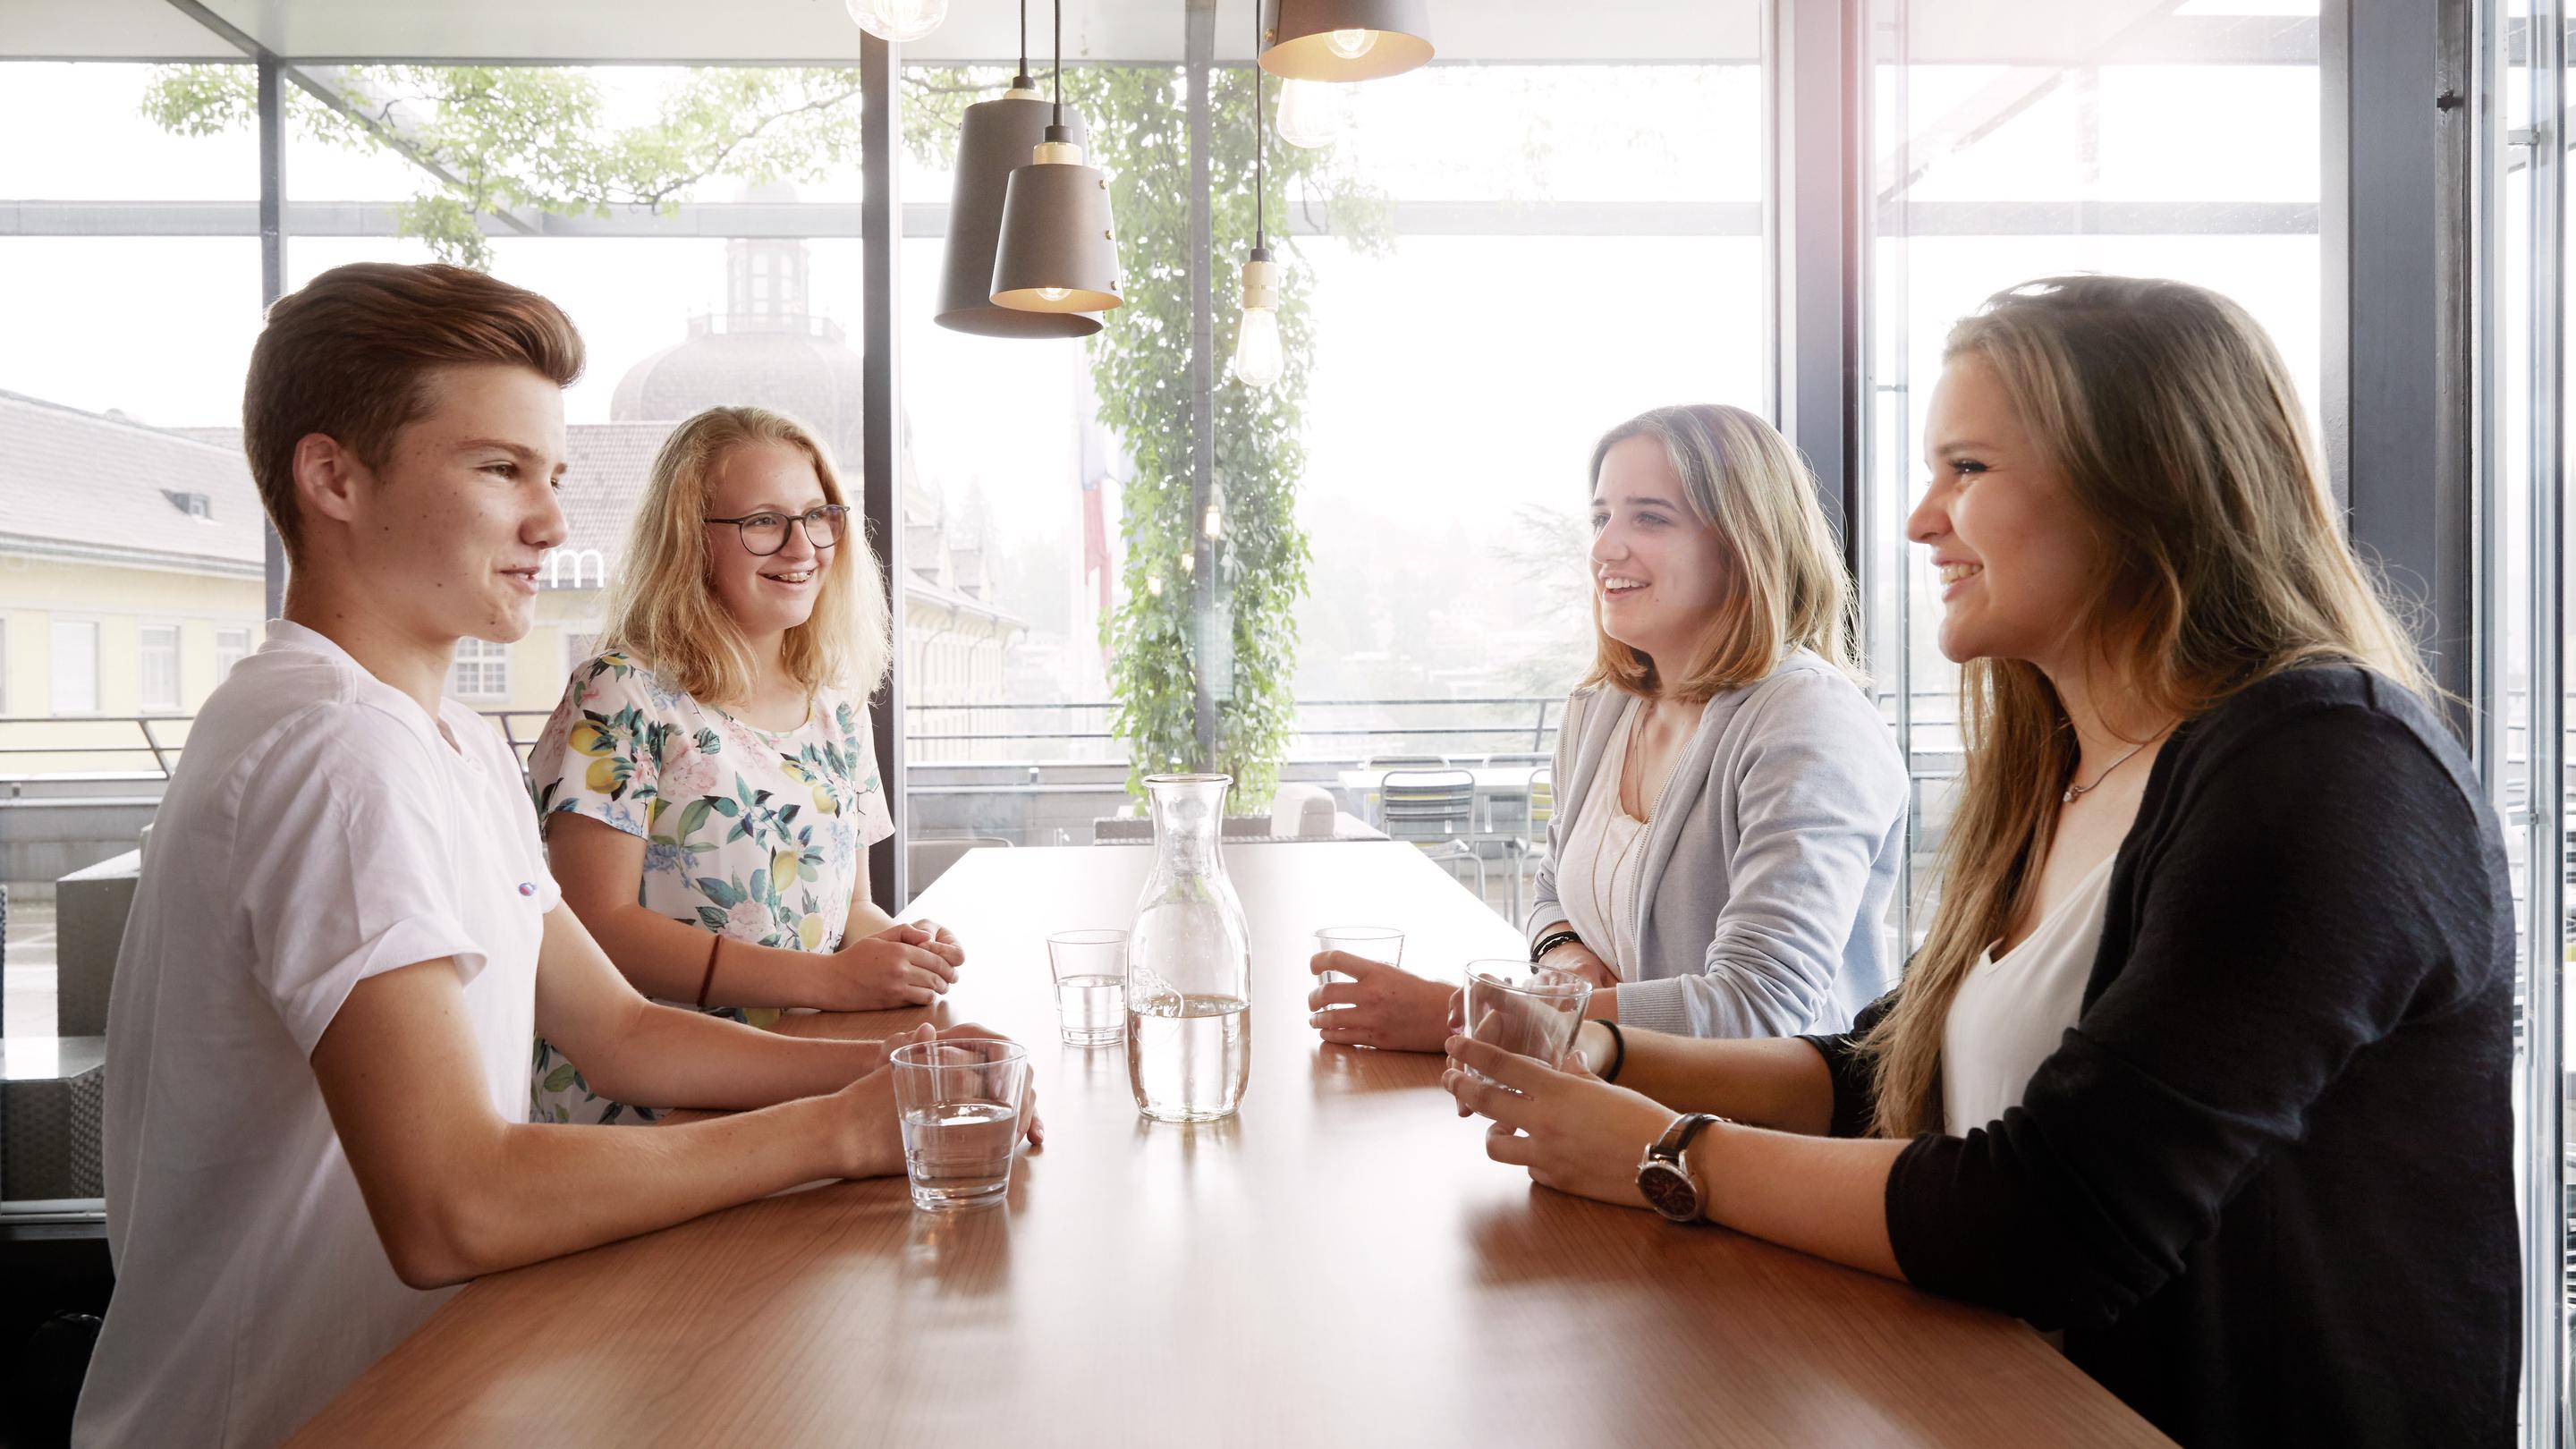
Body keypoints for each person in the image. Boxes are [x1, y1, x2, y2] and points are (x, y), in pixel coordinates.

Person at [1441, 276, 2515, 1446]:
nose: (1917, 523)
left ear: (2144, 486)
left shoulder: (2328, 768)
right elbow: (1887, 1071)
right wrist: (1600, 1046)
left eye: (1967, 469)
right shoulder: (2062, 769)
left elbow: (2058, 1214)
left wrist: (1663, 1151)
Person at [72, 263, 1030, 1449]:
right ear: (333, 477)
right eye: (499, 469)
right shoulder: (334, 754)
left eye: (553, 475)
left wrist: (891, 1083)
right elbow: (454, 1205)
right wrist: (835, 1131)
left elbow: (615, 1028)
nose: (553, 522)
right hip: (297, 1417)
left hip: (442, 1380)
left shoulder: (447, 740)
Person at [1309, 403, 1907, 1050]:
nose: (1603, 548)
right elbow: (1550, 891)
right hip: (1616, 1114)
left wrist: (1468, 1016)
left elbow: (1759, 1009)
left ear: (1743, 544)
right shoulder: (1600, 707)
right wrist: (1565, 956)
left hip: (1763, 1141)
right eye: (1601, 518)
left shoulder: (1811, 724)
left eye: (1649, 517)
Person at [527, 405, 963, 1124]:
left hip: (797, 1073)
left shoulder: (837, 708)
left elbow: (848, 911)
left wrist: (902, 952)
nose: (803, 547)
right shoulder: (619, 693)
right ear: (688, 542)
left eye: (818, 515)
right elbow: (597, 928)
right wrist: (832, 980)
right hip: (645, 1108)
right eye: (764, 521)